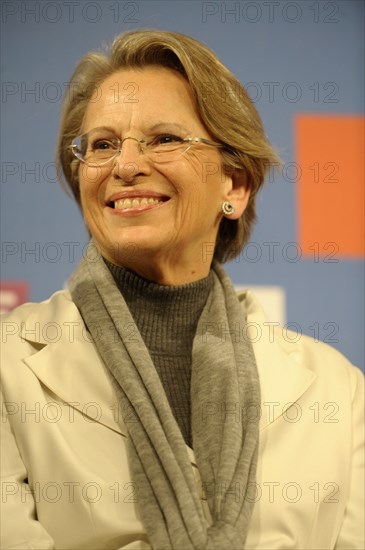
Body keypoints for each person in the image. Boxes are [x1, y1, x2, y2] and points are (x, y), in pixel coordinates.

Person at [0, 29, 363, 550]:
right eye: (102, 145)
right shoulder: (7, 360)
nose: (124, 166)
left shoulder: (338, 390)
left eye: (165, 139)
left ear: (233, 186)